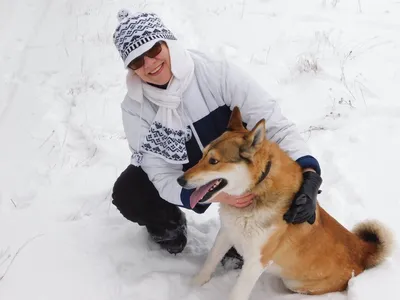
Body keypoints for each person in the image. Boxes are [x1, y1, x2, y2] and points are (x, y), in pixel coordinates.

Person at [111, 9, 323, 266]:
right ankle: (169, 225)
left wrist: (310, 173)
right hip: (184, 170)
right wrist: (213, 194)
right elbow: (160, 174)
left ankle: (242, 239)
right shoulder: (135, 108)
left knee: (273, 169)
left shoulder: (216, 73)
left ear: (167, 42)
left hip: (236, 162)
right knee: (129, 191)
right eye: (136, 61)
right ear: (130, 69)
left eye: (154, 50)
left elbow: (275, 125)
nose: (150, 64)